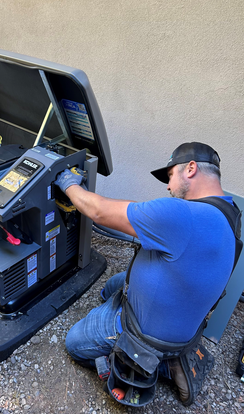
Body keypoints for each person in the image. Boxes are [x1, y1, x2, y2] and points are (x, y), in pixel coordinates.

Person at [55, 141, 237, 403]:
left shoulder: (182, 214)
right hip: (184, 317)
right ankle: (173, 354)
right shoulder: (229, 212)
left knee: (74, 343)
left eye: (170, 175)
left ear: (191, 169)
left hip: (148, 333)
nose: (167, 185)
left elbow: (98, 210)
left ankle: (156, 363)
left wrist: (67, 182)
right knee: (109, 288)